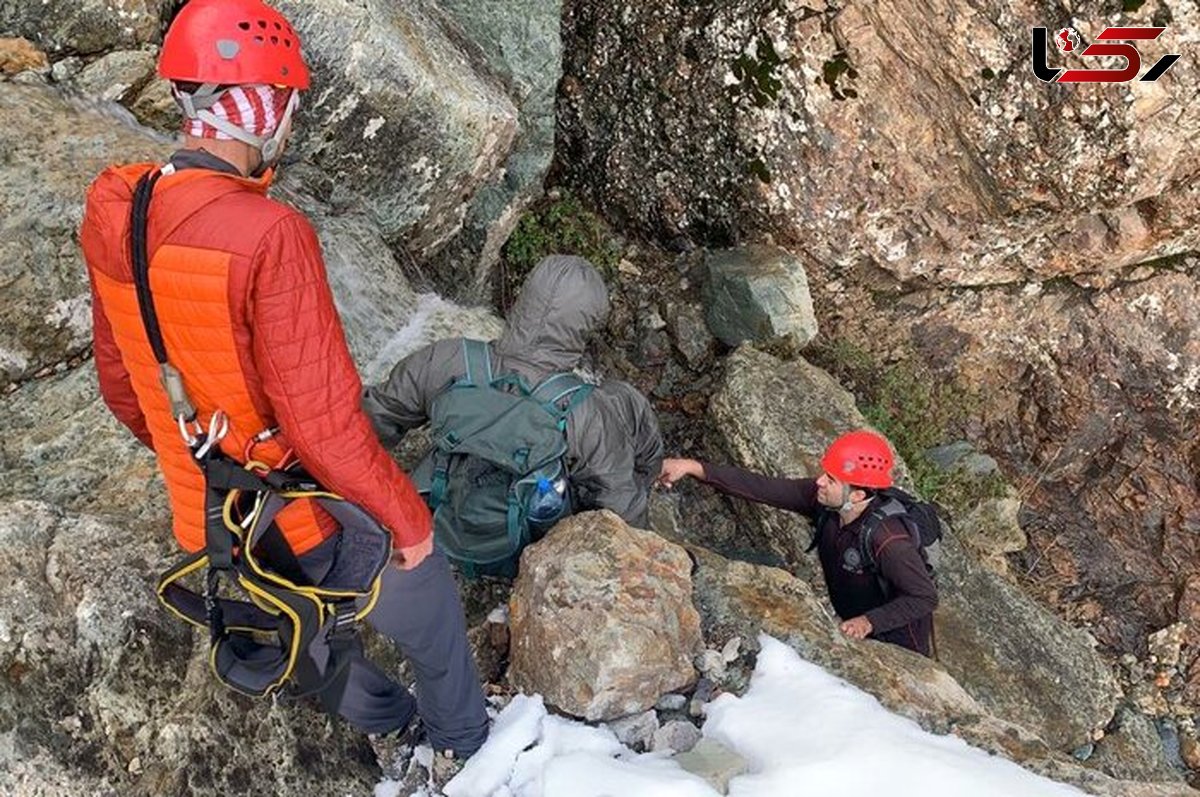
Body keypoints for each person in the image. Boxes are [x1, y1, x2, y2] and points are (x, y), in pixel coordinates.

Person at [79, 0, 487, 771]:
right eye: (290, 105)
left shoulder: (113, 207)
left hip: (206, 514)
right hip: (299, 523)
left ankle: (393, 725)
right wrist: (407, 524)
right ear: (265, 108)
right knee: (424, 591)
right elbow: (323, 424)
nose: (291, 124)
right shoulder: (271, 234)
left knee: (311, 636)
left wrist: (194, 451)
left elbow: (123, 385)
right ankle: (465, 744)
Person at [363, 254, 664, 572]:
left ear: (524, 301)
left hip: (427, 529)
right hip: (525, 556)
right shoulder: (587, 411)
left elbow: (373, 419)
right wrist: (653, 564)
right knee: (623, 401)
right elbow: (619, 507)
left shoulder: (447, 358)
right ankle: (656, 473)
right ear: (586, 325)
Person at [658, 430, 938, 656]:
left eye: (831, 479)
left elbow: (923, 596)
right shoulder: (827, 502)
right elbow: (762, 488)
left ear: (856, 495)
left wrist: (869, 622)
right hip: (854, 625)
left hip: (898, 640)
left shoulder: (889, 540)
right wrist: (693, 467)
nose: (819, 481)